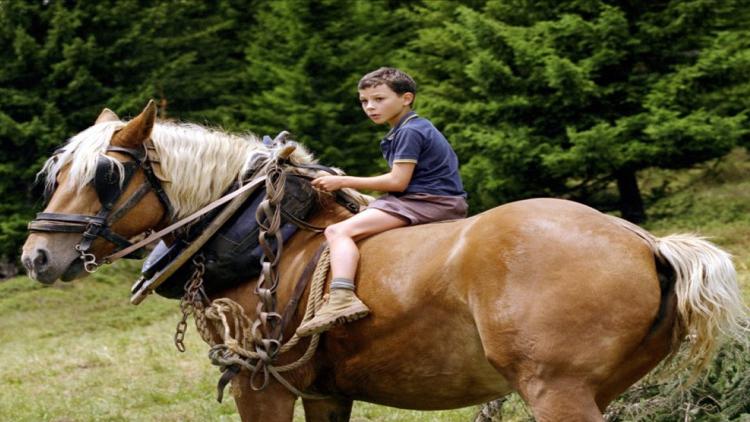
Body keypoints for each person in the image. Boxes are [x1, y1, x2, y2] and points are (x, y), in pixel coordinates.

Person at [296, 67, 468, 337]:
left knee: (337, 230)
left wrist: (343, 181)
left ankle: (341, 296)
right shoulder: (405, 129)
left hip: (426, 202)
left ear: (406, 98)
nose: (370, 107)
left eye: (379, 99)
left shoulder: (410, 131)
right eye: (364, 101)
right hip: (423, 198)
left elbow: (398, 181)